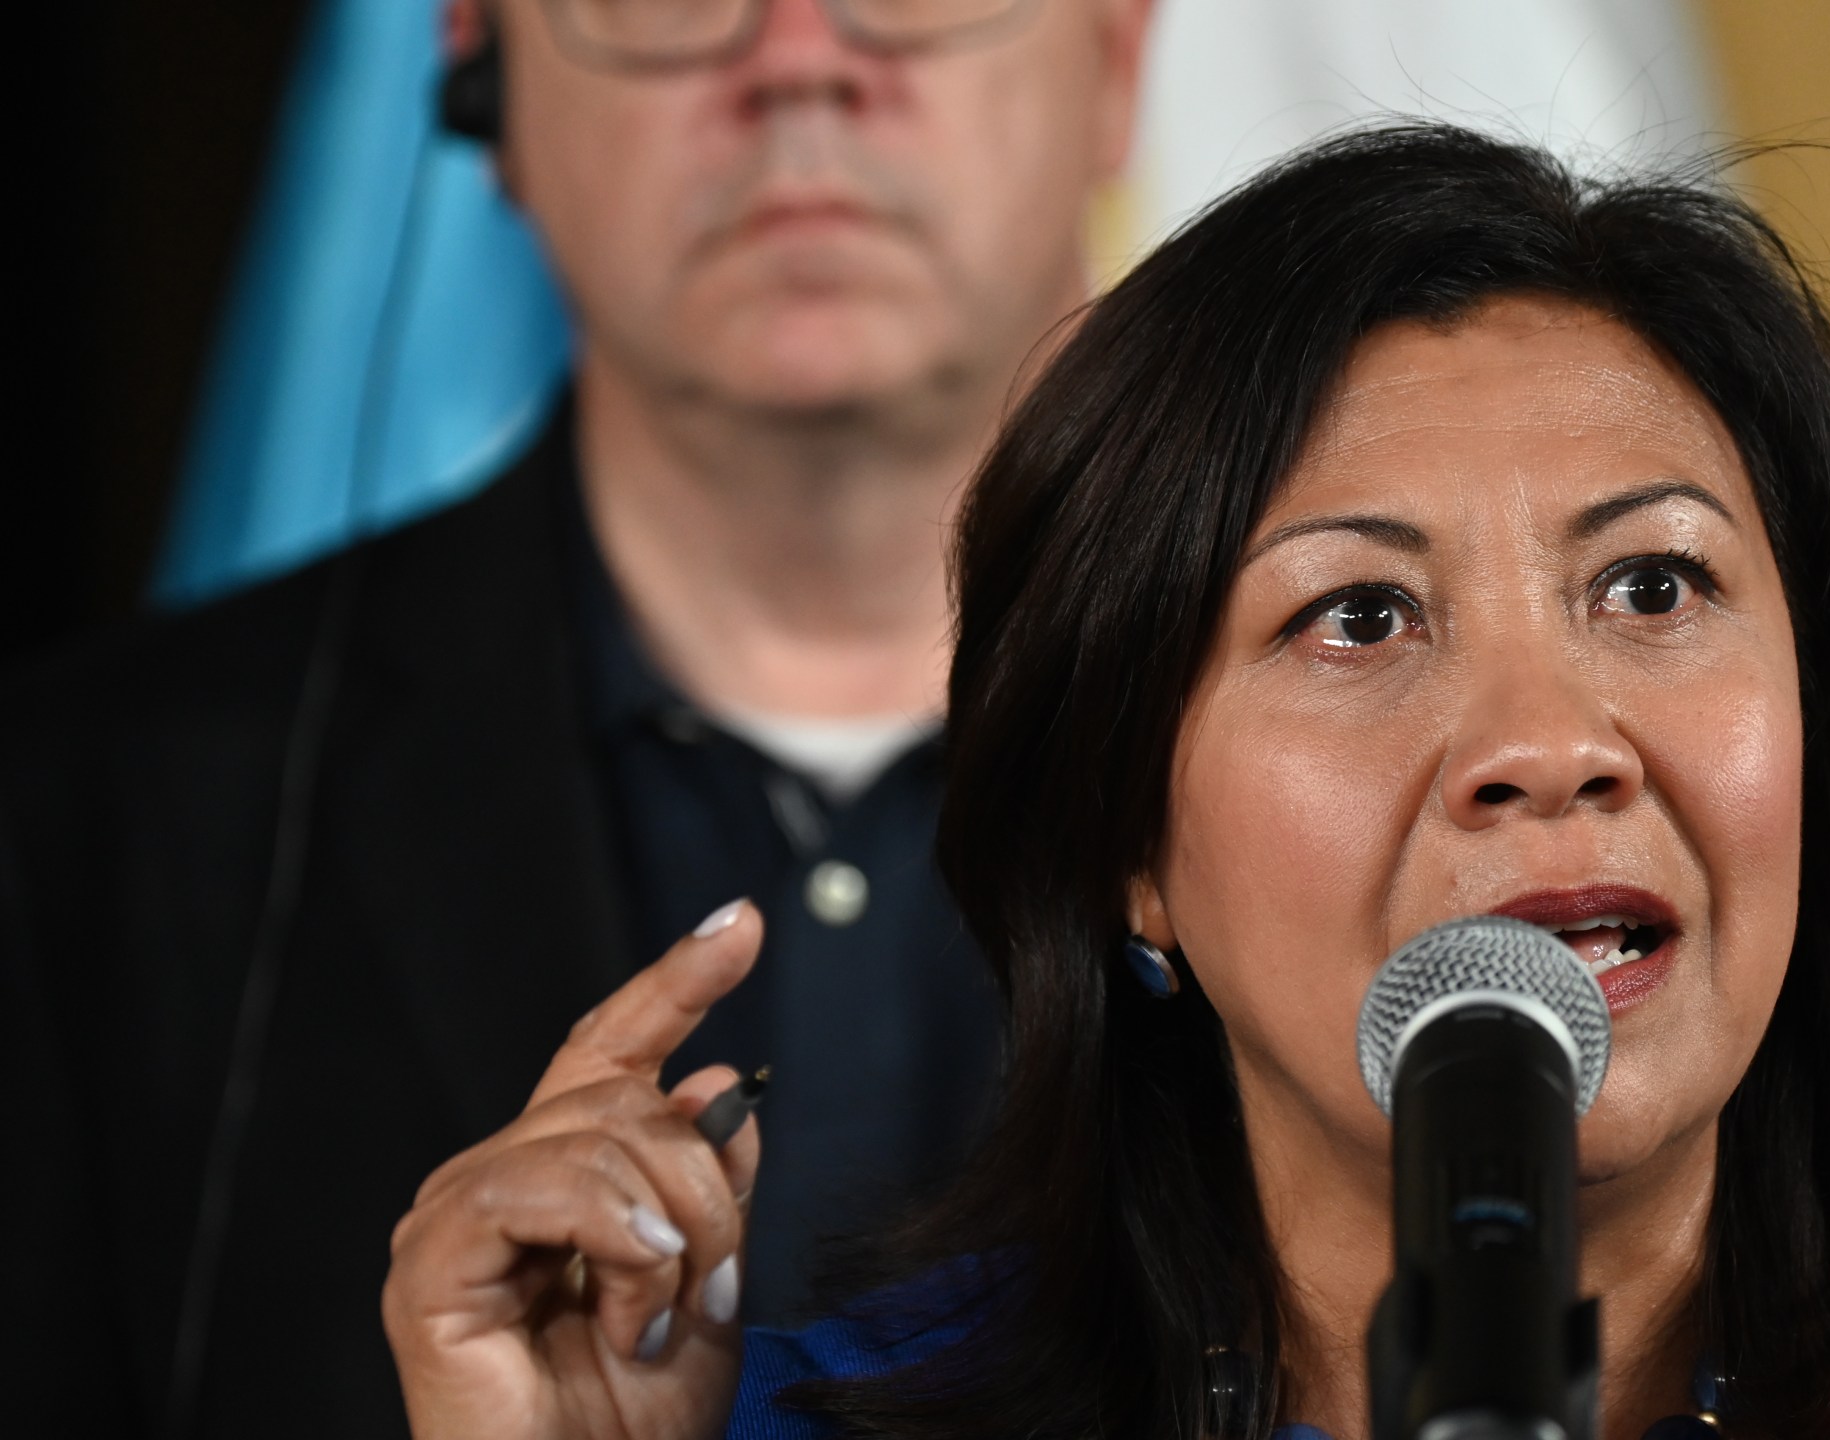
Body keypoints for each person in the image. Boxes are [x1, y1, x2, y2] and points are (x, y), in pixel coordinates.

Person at [378, 126, 1830, 1440]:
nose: (1545, 741)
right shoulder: (762, 1428)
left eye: (1652, 583)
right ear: (1119, 851)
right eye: (1356, 620)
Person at [0, 1, 1152, 1436]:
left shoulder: (1422, 789)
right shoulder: (80, 827)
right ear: (480, 75)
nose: (797, 56)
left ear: (1117, 58)